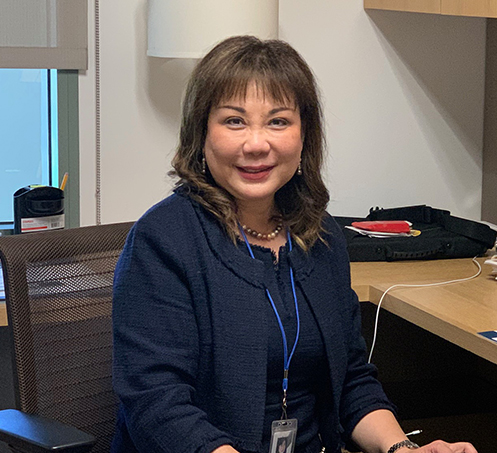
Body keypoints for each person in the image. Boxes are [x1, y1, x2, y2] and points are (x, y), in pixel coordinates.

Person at [110, 36, 478, 453]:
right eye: (234, 121)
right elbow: (157, 405)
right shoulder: (164, 239)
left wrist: (402, 449)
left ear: (304, 136)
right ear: (201, 133)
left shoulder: (319, 237)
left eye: (278, 121)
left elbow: (351, 379)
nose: (256, 143)